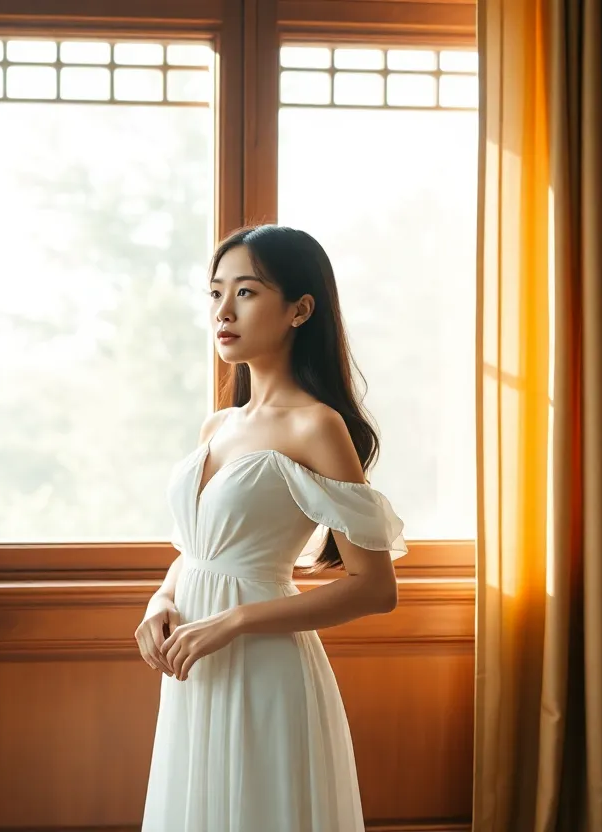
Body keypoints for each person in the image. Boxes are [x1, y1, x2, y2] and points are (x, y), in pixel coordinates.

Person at [136, 225, 408, 831]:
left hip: (263, 666)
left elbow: (375, 587)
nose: (223, 311)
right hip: (194, 666)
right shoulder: (217, 426)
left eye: (247, 292)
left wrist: (234, 621)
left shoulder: (317, 427)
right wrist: (161, 597)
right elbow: (201, 552)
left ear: (299, 310)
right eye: (214, 293)